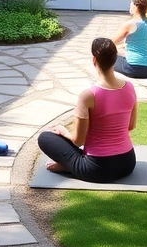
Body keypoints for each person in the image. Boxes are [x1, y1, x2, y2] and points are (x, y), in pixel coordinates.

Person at [37, 38, 138, 183]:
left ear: (94, 60)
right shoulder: (130, 87)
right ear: (115, 59)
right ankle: (72, 165)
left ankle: (70, 166)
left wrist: (64, 131)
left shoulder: (88, 96)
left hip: (96, 170)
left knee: (45, 137)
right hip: (127, 164)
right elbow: (131, 126)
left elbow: (78, 141)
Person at [111, 0, 147, 79]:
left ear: (136, 6)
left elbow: (111, 42)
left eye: (131, 5)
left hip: (133, 68)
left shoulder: (130, 24)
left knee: (105, 57)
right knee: (121, 55)